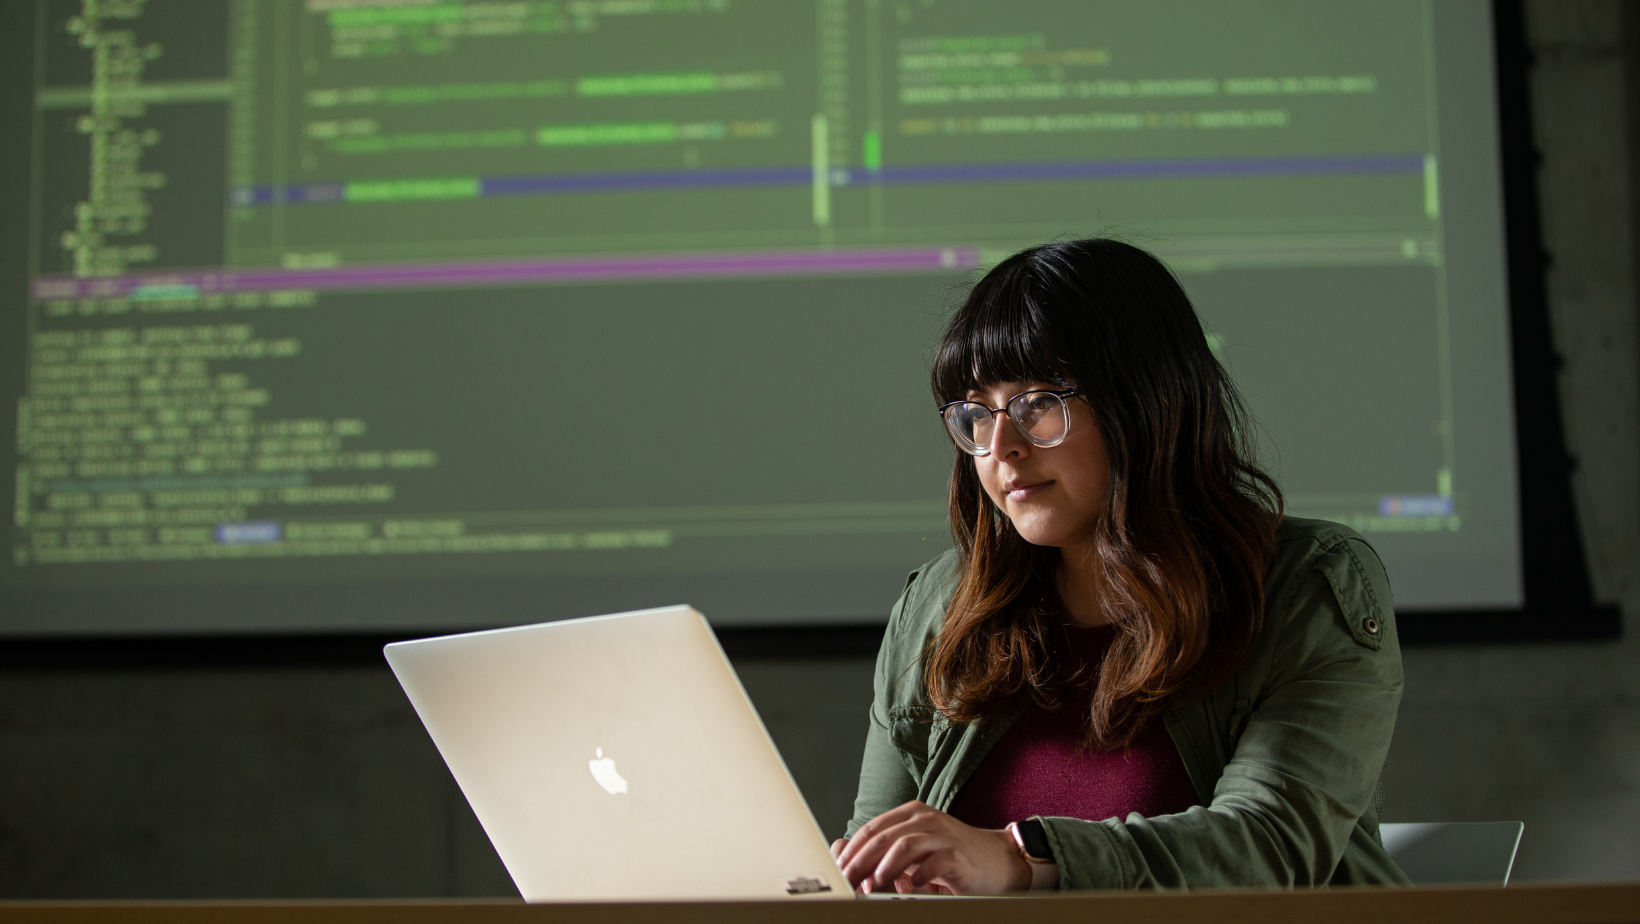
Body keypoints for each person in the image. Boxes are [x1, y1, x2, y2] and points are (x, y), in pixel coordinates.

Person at [830, 239, 1408, 894]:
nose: (1000, 448)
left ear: (1145, 400)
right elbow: (877, 868)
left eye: (1039, 402)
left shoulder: (1306, 584)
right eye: (975, 413)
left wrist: (1019, 858)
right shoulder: (938, 604)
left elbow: (1268, 846)